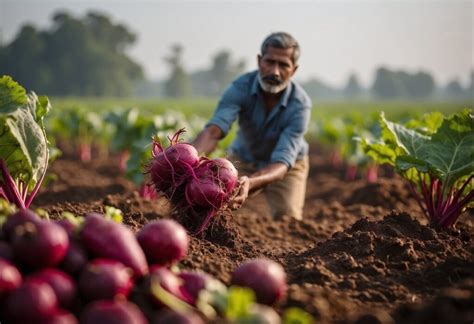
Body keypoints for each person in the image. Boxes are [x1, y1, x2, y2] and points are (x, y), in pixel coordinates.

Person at [192, 32, 312, 220]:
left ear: (294, 70)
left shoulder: (300, 105)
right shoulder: (240, 87)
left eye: (283, 65)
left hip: (287, 166)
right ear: (259, 61)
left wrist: (251, 181)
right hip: (243, 157)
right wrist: (189, 160)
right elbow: (214, 131)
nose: (275, 72)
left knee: (287, 220)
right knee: (211, 205)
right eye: (270, 62)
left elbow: (282, 163)